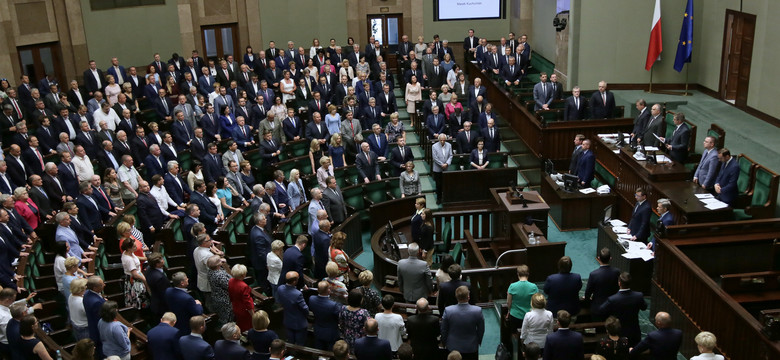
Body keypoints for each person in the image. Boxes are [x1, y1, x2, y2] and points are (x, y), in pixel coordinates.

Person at [598, 272, 648, 346]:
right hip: (634, 331)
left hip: (619, 332)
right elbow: (644, 307)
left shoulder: (613, 299)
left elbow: (601, 310)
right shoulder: (638, 296)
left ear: (619, 283)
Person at [442, 286, 485, 360]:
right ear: (468, 297)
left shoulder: (448, 310)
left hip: (453, 346)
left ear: (456, 297)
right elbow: (481, 330)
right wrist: (477, 341)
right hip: (471, 346)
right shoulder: (477, 310)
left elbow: (444, 330)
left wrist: (444, 343)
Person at [584, 248, 622, 319]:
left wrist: (587, 300)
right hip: (612, 308)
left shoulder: (593, 274)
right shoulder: (617, 272)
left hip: (598, 310)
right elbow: (618, 288)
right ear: (610, 258)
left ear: (599, 258)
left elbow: (588, 292)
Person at [164, 272, 204, 336]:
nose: (188, 279)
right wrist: (198, 304)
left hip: (175, 321)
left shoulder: (168, 291)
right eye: (186, 279)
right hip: (186, 324)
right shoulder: (187, 298)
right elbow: (198, 312)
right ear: (182, 283)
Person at [309, 280, 344, 350]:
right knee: (330, 353)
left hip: (318, 330)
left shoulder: (311, 299)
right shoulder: (333, 305)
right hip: (331, 333)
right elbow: (340, 316)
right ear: (328, 291)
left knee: (319, 351)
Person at [276, 271, 309, 345]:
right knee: (300, 344)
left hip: (287, 319)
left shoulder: (280, 288)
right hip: (299, 323)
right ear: (294, 281)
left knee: (290, 342)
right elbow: (305, 309)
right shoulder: (297, 294)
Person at [506, 265, 538, 333]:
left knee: (514, 334)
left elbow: (509, 302)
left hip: (515, 315)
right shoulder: (534, 287)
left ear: (518, 274)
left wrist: (509, 311)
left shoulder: (512, 286)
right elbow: (536, 303)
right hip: (530, 316)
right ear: (528, 274)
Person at [120, 239, 149, 310]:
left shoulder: (128, 252)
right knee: (138, 299)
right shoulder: (128, 259)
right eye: (134, 246)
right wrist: (145, 281)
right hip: (135, 281)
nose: (136, 247)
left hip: (138, 276)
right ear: (129, 248)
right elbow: (135, 274)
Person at [206, 255, 233, 325]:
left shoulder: (210, 271)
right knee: (227, 319)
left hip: (216, 297)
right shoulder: (219, 275)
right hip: (224, 300)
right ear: (218, 265)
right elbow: (230, 285)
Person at [227, 264, 254, 331]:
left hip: (235, 306)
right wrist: (253, 314)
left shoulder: (230, 281)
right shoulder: (244, 286)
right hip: (244, 310)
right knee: (248, 326)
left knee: (241, 324)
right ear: (243, 275)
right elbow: (247, 302)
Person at [432, 133, 452, 204]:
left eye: (444, 140)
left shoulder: (449, 145)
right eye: (441, 140)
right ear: (439, 140)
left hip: (446, 168)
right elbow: (435, 158)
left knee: (446, 184)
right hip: (438, 169)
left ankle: (446, 198)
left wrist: (446, 163)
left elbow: (450, 155)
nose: (442, 141)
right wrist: (441, 164)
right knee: (438, 185)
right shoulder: (434, 146)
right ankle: (439, 199)